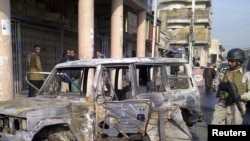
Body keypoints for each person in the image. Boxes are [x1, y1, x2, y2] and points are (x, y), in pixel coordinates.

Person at [211, 48, 250, 125]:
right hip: (222, 104)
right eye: (229, 60)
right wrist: (219, 86)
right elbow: (213, 87)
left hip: (236, 106)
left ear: (239, 62)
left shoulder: (246, 75)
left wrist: (240, 97)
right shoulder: (223, 73)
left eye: (232, 61)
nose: (229, 63)